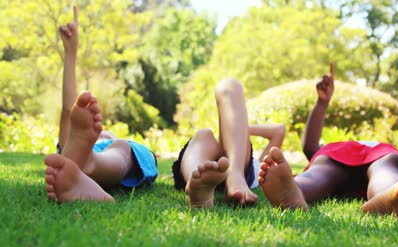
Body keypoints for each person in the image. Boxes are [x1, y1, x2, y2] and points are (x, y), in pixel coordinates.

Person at [258, 63, 398, 216]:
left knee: (385, 165)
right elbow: (311, 147)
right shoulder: (381, 152)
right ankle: (294, 190)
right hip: (337, 158)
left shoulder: (387, 154)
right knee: (324, 167)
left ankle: (390, 197)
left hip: (356, 158)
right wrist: (322, 102)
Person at [44, 6, 158, 203]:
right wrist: (70, 51)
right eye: (100, 134)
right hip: (80, 154)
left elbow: (67, 110)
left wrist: (71, 52)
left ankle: (85, 165)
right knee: (111, 145)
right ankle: (83, 170)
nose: (102, 133)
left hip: (96, 156)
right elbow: (68, 109)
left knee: (119, 147)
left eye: (102, 134)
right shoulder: (103, 141)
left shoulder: (115, 143)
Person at [171, 78, 286, 208]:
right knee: (204, 134)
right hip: (209, 161)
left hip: (236, 167)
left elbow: (279, 131)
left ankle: (227, 175)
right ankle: (198, 180)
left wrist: (239, 127)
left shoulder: (258, 168)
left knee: (204, 133)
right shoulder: (256, 164)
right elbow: (279, 130)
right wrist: (236, 127)